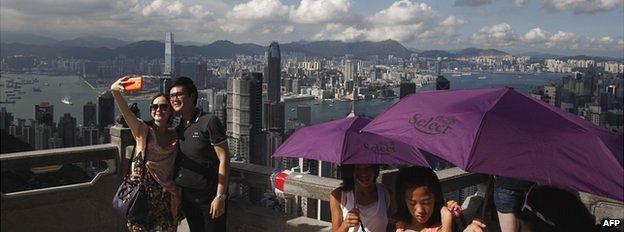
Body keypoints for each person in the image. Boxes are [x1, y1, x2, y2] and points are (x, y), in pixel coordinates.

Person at [111, 76, 180, 232]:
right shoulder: (142, 131)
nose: (158, 110)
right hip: (140, 198)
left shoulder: (176, 137)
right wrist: (115, 91)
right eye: (154, 107)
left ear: (170, 111)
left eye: (163, 107)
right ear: (150, 110)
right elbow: (126, 113)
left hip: (165, 200)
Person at [169, 77, 230, 232]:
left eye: (179, 94)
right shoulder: (179, 126)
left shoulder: (209, 121)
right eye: (172, 96)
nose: (174, 99)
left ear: (192, 96)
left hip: (209, 198)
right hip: (188, 198)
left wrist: (220, 196)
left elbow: (224, 159)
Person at [394, 166, 462, 232]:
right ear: (404, 201)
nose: (420, 210)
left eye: (426, 202)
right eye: (412, 203)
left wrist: (447, 218)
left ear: (436, 198)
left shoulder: (441, 227)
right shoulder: (400, 226)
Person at [330, 164, 390, 232]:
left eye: (368, 168)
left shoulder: (385, 192)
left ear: (375, 169)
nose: (364, 173)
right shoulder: (338, 195)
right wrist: (345, 224)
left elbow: (390, 223)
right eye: (358, 169)